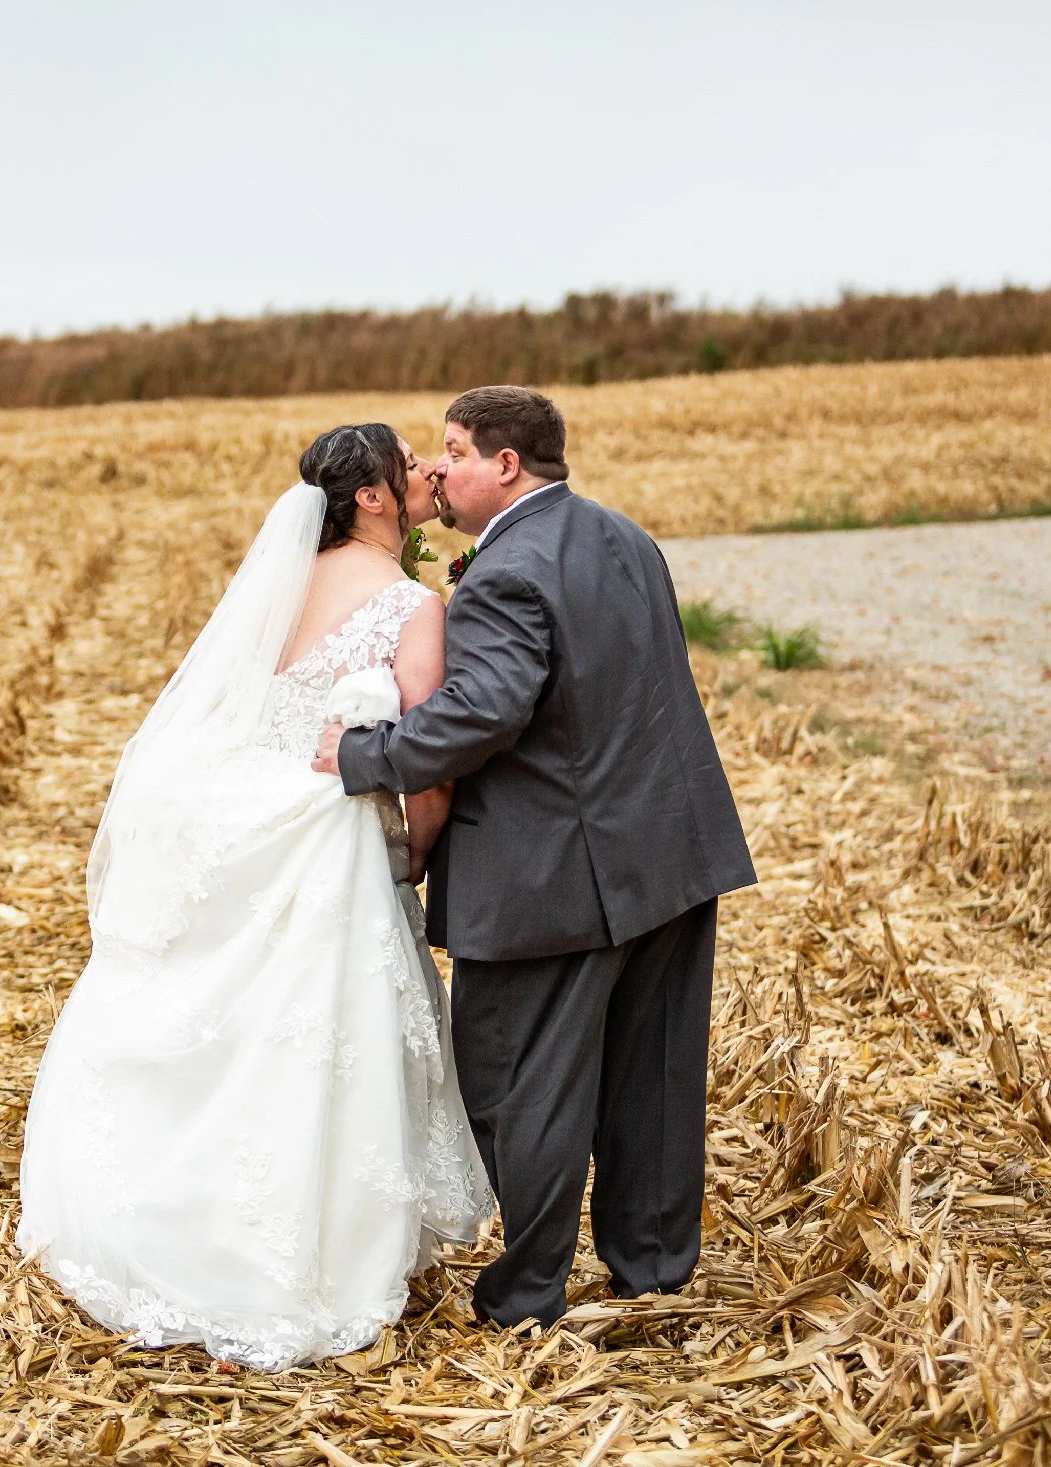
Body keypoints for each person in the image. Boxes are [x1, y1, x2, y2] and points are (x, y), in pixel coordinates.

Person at [18, 424, 491, 1370]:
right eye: (410, 464)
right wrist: (415, 855)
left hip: (245, 820)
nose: (426, 473)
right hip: (330, 836)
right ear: (372, 497)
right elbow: (430, 768)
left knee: (229, 1034)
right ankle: (300, 1249)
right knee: (309, 1043)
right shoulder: (411, 605)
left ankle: (182, 1217)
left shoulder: (275, 593)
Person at [315, 386, 755, 1330]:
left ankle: (526, 1291)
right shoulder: (623, 536)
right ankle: (651, 1270)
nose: (438, 468)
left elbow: (485, 709)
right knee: (654, 1076)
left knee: (519, 1083)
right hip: (670, 854)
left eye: (455, 449)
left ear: (506, 465)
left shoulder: (510, 569)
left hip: (557, 876)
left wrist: (367, 757)